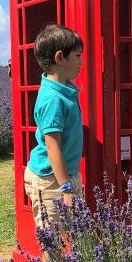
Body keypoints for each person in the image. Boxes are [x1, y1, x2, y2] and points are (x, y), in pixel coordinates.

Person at [24, 24, 84, 231]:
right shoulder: (52, 99)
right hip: (51, 180)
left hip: (64, 175)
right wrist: (66, 188)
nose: (81, 62)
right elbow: (53, 147)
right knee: (52, 242)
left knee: (77, 238)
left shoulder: (65, 90)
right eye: (77, 56)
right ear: (60, 58)